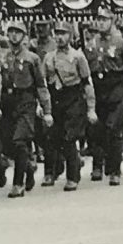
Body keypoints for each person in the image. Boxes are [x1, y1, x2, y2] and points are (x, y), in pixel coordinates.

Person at [83, 14, 123, 184]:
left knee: (113, 127)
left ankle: (114, 169)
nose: (100, 23)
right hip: (99, 88)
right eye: (98, 20)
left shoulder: (122, 43)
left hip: (118, 86)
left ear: (111, 22)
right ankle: (98, 165)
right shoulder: (91, 44)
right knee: (97, 129)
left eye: (104, 20)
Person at [0, 24, 52, 196]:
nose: (14, 36)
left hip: (26, 101)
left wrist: (47, 109)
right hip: (7, 102)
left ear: (24, 36)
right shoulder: (1, 57)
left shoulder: (32, 58)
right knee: (6, 143)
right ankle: (27, 167)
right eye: (11, 32)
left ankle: (18, 183)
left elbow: (41, 86)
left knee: (19, 140)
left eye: (18, 33)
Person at [40, 21, 93, 187]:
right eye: (57, 33)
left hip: (73, 98)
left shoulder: (77, 56)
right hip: (55, 98)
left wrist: (91, 108)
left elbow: (87, 83)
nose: (59, 37)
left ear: (70, 36)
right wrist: (41, 104)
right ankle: (52, 171)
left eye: (63, 33)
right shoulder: (49, 57)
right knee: (52, 136)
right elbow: (42, 82)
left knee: (69, 137)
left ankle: (73, 176)